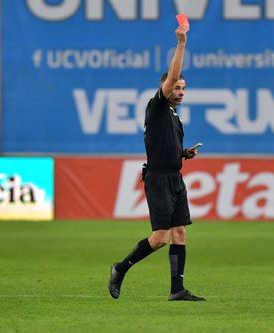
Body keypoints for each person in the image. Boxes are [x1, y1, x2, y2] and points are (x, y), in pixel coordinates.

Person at [108, 23, 205, 302]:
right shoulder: (158, 105)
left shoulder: (174, 115)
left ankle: (176, 290)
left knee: (180, 232)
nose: (181, 90)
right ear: (166, 87)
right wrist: (182, 43)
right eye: (177, 86)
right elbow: (173, 72)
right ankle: (120, 268)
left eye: (184, 87)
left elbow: (163, 146)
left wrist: (183, 154)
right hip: (159, 179)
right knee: (160, 238)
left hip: (175, 177)